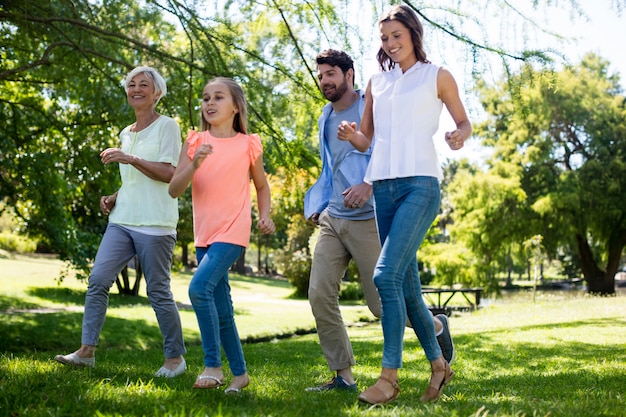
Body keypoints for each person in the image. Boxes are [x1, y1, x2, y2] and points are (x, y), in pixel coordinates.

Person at [337, 4, 472, 405]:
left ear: (413, 34)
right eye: (384, 38)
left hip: (420, 185)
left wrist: (458, 136)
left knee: (384, 276)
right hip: (384, 188)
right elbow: (368, 139)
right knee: (408, 285)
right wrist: (351, 135)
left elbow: (463, 122)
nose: (390, 43)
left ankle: (389, 377)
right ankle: (438, 367)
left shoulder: (437, 76)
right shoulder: (377, 82)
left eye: (397, 35)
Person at [304, 49, 455, 393]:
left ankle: (434, 326)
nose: (325, 81)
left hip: (370, 217)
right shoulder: (325, 116)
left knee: (382, 306)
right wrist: (321, 203)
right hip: (334, 217)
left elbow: (385, 152)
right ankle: (343, 377)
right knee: (319, 295)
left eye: (331, 74)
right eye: (321, 75)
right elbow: (331, 167)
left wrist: (368, 186)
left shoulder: (374, 104)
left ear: (349, 74)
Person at [55, 66, 187, 378]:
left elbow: (170, 174)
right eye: (131, 85)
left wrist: (130, 159)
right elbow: (135, 180)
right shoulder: (125, 133)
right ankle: (86, 352)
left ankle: (175, 359)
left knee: (158, 291)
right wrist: (115, 196)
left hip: (155, 223)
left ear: (157, 93)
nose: (136, 89)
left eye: (144, 85)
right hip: (122, 220)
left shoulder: (168, 126)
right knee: (98, 280)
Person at [168, 77, 275, 393]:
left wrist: (264, 215)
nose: (209, 103)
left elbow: (262, 186)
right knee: (223, 309)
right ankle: (240, 374)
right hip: (204, 235)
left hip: (233, 230)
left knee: (199, 288)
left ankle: (213, 365)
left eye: (218, 97)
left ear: (236, 107)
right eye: (205, 98)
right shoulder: (195, 141)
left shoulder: (248, 144)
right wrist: (195, 162)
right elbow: (175, 189)